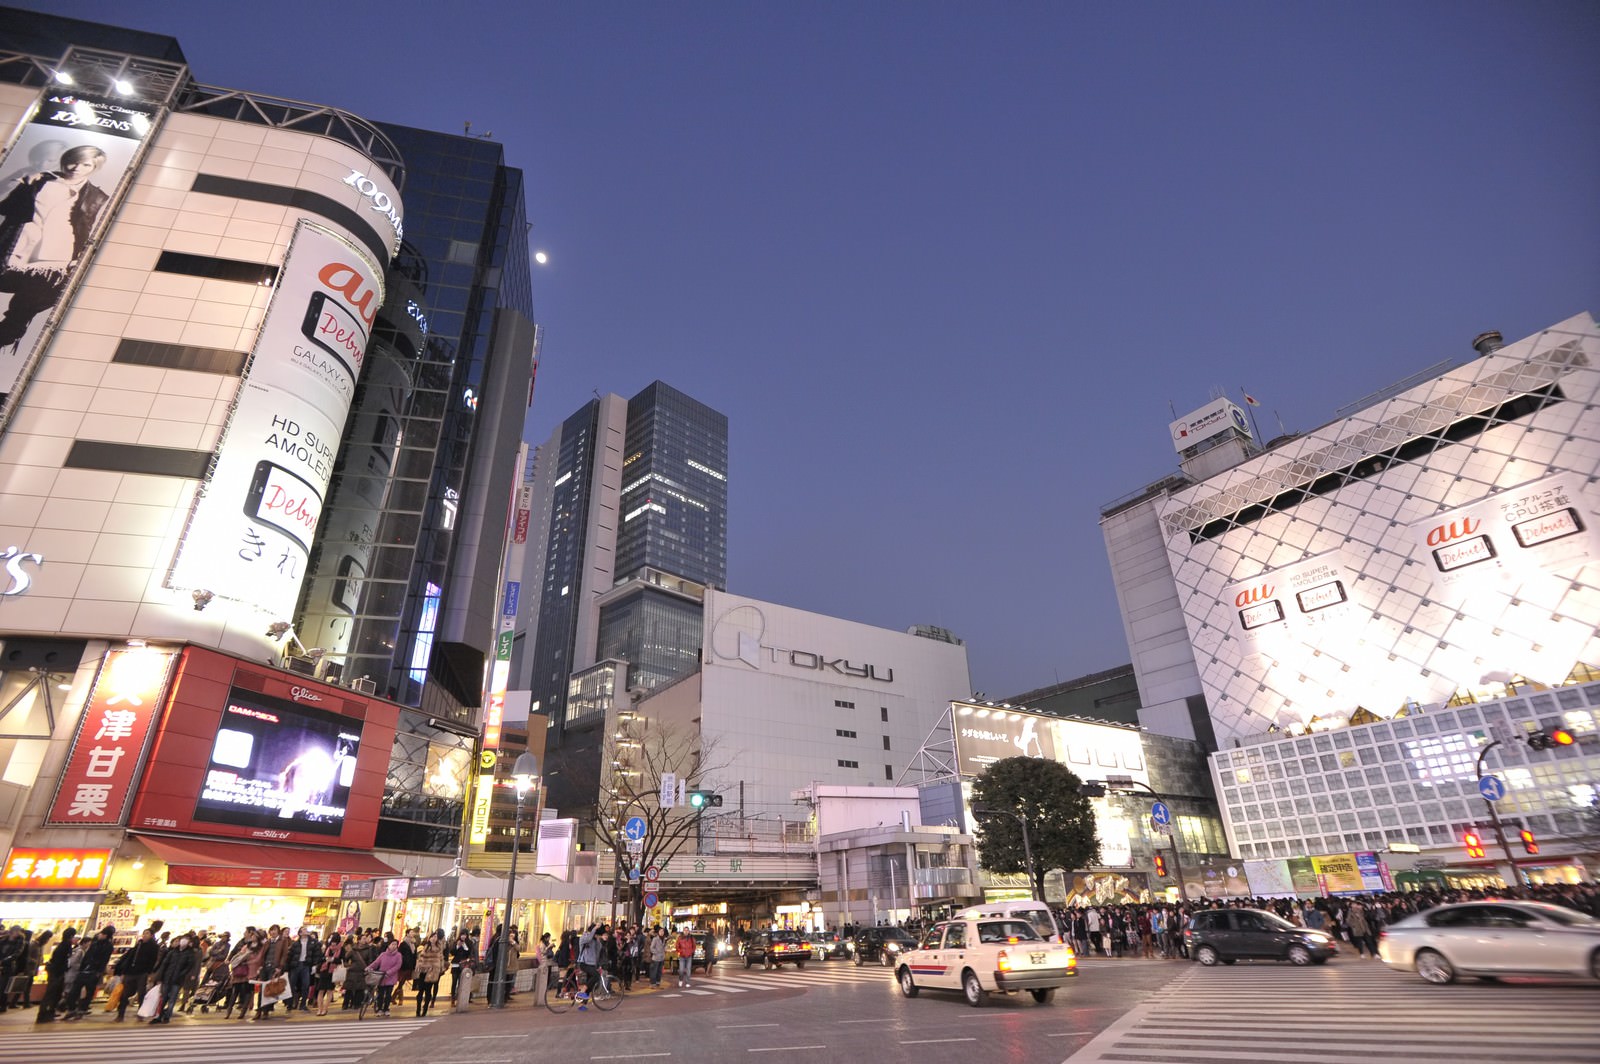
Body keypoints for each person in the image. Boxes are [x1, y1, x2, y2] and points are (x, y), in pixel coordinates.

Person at [0, 144, 110, 350]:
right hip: (17, 246)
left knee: (22, 313)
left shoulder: (96, 196)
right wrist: (23, 186)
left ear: (94, 168)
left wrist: (77, 258)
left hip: (56, 258)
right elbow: (6, 208)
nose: (77, 167)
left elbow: (85, 229)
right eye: (73, 161)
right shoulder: (38, 180)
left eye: (86, 164)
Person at [62, 923, 114, 1020]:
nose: (99, 935)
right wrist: (82, 967)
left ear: (106, 935)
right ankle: (72, 1009)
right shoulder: (95, 943)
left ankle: (81, 1010)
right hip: (85, 971)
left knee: (88, 993)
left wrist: (98, 971)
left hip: (94, 972)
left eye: (102, 934)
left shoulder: (108, 946)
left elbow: (104, 960)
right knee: (74, 991)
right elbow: (87, 956)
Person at [149, 933, 199, 1025]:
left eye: (186, 940)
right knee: (163, 998)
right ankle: (159, 1016)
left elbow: (189, 967)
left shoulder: (190, 954)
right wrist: (160, 977)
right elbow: (165, 964)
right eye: (182, 940)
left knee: (172, 998)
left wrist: (181, 975)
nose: (183, 941)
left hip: (177, 980)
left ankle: (167, 1016)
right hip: (167, 978)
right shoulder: (172, 952)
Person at [113, 926, 159, 1022]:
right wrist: (124, 971)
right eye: (144, 933)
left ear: (151, 936)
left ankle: (140, 1014)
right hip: (131, 972)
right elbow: (130, 958)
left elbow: (153, 960)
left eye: (147, 933)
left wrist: (149, 973)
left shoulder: (153, 947)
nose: (144, 935)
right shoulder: (138, 945)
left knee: (141, 994)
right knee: (124, 994)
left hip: (142, 973)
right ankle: (120, 1015)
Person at [35, 927, 74, 1023]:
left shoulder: (62, 945)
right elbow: (62, 961)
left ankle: (48, 1013)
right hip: (57, 973)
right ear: (71, 936)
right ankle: (44, 1014)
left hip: (56, 972)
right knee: (51, 993)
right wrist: (64, 969)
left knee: (54, 994)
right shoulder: (66, 946)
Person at [413, 930, 445, 1017]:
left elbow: (441, 960)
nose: (434, 939)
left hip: (433, 973)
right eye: (432, 937)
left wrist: (440, 969)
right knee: (420, 991)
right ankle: (418, 1009)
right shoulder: (425, 947)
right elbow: (421, 959)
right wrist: (421, 966)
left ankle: (425, 1009)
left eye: (435, 937)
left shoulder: (439, 948)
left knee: (428, 992)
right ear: (429, 938)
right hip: (424, 972)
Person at [371, 938, 403, 1016]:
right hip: (382, 977)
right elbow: (376, 963)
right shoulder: (383, 954)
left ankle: (386, 1008)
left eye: (395, 944)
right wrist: (369, 968)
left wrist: (389, 972)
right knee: (380, 994)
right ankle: (379, 1009)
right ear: (388, 945)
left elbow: (398, 966)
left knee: (388, 994)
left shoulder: (398, 955)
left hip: (391, 977)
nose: (394, 946)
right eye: (392, 944)